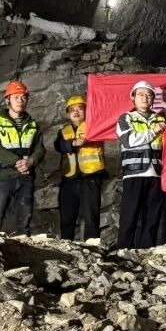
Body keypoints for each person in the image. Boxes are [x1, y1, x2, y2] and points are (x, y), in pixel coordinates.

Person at [0, 81, 44, 234]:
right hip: (2, 176)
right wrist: (18, 162)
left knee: (24, 221)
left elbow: (39, 149)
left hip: (25, 177)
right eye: (16, 97)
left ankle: (23, 246)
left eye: (23, 97)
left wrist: (31, 161)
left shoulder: (33, 124)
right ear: (7, 100)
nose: (20, 101)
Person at [116, 81, 166, 249]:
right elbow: (129, 140)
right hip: (135, 173)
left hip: (156, 173)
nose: (145, 98)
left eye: (149, 95)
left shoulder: (160, 119)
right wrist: (153, 131)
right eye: (141, 94)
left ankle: (146, 250)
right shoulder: (126, 118)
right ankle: (123, 250)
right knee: (130, 214)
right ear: (133, 98)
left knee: (152, 216)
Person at [53, 94, 106, 241]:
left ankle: (93, 246)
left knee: (91, 217)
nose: (76, 112)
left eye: (80, 109)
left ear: (86, 111)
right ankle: (65, 246)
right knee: (67, 218)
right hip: (69, 180)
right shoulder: (63, 131)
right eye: (72, 110)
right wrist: (72, 143)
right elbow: (58, 146)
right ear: (68, 114)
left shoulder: (95, 126)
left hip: (91, 177)